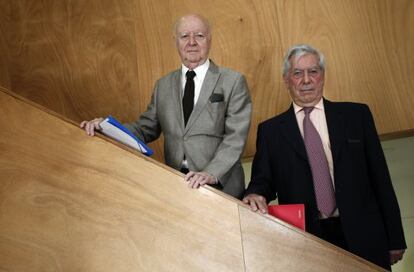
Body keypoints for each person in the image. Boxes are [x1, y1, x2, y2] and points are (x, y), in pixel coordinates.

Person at [243, 44, 406, 270]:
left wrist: (395, 237)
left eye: (313, 71)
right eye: (297, 73)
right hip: (308, 241)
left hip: (365, 235)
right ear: (286, 80)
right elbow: (263, 181)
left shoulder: (356, 116)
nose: (306, 80)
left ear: (323, 76)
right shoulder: (271, 132)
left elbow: (381, 180)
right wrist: (254, 194)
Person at [80, 14, 252, 199]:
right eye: (185, 36)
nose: (192, 42)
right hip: (176, 186)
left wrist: (211, 173)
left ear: (209, 39)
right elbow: (145, 128)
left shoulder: (233, 81)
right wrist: (106, 127)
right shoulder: (163, 85)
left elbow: (235, 137)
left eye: (199, 35)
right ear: (176, 42)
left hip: (221, 187)